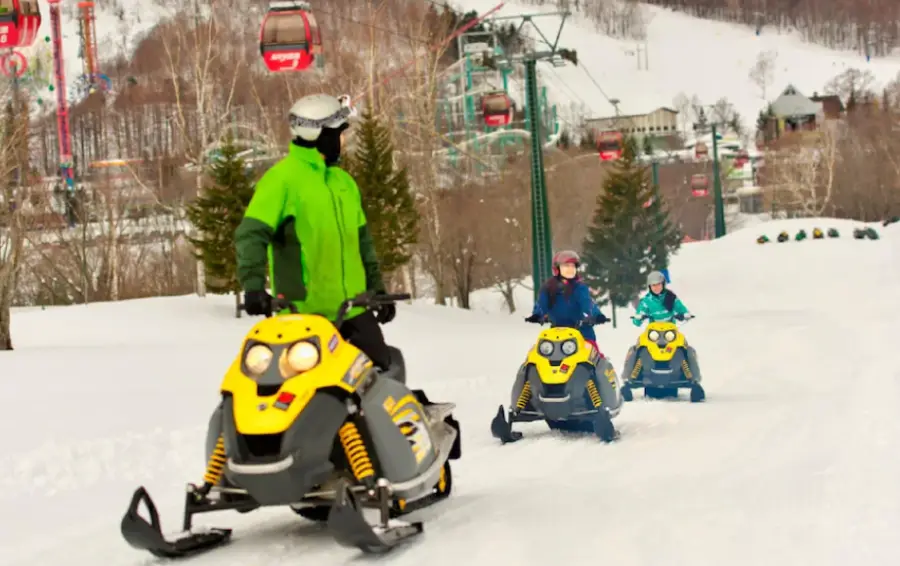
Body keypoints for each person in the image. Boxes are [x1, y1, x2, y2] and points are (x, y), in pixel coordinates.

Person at [234, 93, 394, 370]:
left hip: (353, 311)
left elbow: (362, 243)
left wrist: (377, 289)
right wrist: (254, 287)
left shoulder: (343, 182)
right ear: (320, 135)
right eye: (339, 133)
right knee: (305, 390)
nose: (343, 140)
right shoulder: (282, 180)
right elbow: (251, 234)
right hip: (304, 316)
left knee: (382, 377)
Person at [524, 250, 609, 355]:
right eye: (566, 266)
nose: (570, 269)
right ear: (557, 269)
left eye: (573, 266)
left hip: (581, 333)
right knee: (537, 355)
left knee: (592, 356)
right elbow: (541, 305)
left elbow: (587, 304)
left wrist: (595, 316)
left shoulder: (580, 288)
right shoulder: (548, 289)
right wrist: (537, 315)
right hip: (556, 334)